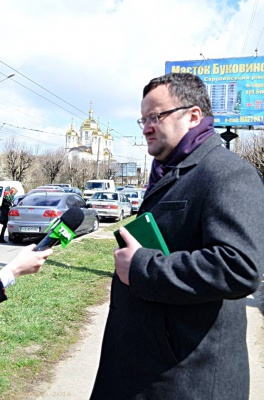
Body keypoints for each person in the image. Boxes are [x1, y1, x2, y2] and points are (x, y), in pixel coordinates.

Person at [90, 73, 264, 400]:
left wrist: (142, 267)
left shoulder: (227, 173)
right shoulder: (172, 171)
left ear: (193, 115)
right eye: (143, 118)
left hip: (185, 378)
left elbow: (239, 267)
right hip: (145, 368)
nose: (146, 127)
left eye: (156, 116)